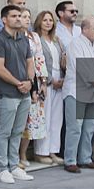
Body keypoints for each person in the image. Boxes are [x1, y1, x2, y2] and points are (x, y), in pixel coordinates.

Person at [0, 5, 35, 184]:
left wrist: (29, 82)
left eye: (20, 15)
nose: (18, 18)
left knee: (18, 131)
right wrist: (18, 83)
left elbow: (30, 62)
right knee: (4, 131)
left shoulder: (24, 38)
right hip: (7, 92)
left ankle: (14, 166)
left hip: (24, 92)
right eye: (14, 16)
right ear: (4, 20)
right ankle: (2, 168)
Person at [63, 18, 94, 173]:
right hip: (76, 91)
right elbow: (82, 68)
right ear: (85, 29)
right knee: (75, 127)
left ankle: (85, 158)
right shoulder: (75, 44)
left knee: (89, 127)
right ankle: (70, 160)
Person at [34, 10, 66, 165]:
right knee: (44, 117)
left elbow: (62, 58)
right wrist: (51, 80)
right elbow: (37, 62)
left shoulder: (56, 40)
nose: (48, 23)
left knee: (56, 119)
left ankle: (53, 150)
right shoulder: (36, 39)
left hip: (59, 80)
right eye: (45, 20)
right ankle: (41, 152)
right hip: (45, 82)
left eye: (50, 20)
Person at [18, 8, 48, 168]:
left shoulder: (34, 36)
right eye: (23, 16)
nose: (27, 19)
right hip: (21, 80)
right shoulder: (15, 36)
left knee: (31, 121)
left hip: (35, 80)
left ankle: (23, 152)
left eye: (28, 17)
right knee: (20, 121)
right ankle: (14, 154)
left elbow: (40, 58)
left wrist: (43, 82)